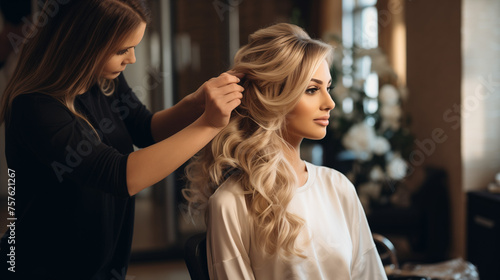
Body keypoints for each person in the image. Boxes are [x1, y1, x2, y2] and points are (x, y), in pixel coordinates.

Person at [0, 0, 243, 279]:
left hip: (100, 265)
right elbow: (118, 175)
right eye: (122, 50)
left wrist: (195, 104)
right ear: (82, 45)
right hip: (40, 268)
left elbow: (146, 129)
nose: (132, 59)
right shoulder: (35, 108)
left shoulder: (102, 81)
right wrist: (210, 124)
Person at [183, 23, 387, 280]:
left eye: (328, 87)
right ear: (273, 96)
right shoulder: (231, 203)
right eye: (312, 90)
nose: (330, 102)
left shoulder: (338, 187)